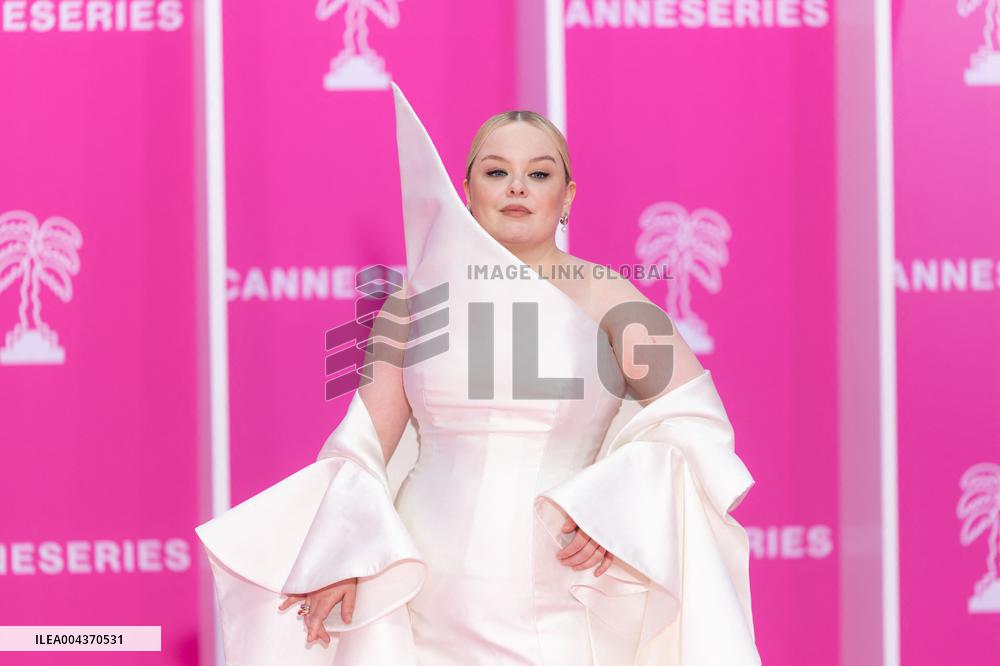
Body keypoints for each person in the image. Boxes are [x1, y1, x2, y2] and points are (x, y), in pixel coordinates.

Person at [195, 81, 761, 665]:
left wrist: (618, 506)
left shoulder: (609, 297)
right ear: (466, 191)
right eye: (496, 173)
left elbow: (695, 426)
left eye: (539, 174)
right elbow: (361, 444)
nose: (517, 187)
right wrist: (341, 552)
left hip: (560, 584)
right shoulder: (413, 303)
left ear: (568, 196)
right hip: (421, 587)